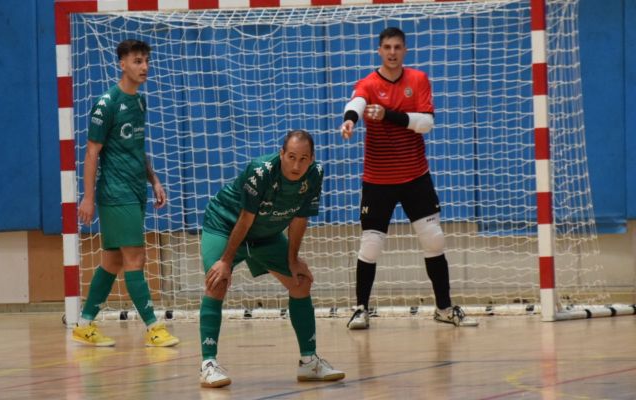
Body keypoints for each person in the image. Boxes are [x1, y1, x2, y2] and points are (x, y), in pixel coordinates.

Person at [340, 27, 478, 329]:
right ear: (379, 50)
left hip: (415, 176)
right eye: (387, 47)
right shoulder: (368, 83)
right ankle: (361, 309)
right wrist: (349, 121)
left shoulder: (418, 80)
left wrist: (388, 115)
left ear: (405, 50)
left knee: (434, 240)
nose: (392, 52)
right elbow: (357, 103)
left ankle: (444, 309)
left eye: (397, 47)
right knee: (371, 245)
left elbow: (426, 123)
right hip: (377, 180)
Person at [198, 130, 345, 388]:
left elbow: (300, 219)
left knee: (300, 282)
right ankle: (208, 364)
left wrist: (293, 259)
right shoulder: (261, 171)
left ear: (311, 159)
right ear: (281, 154)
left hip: (266, 233)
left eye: (303, 158)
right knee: (217, 282)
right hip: (225, 224)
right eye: (291, 157)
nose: (296, 165)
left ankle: (309, 362)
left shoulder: (315, 174)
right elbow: (245, 219)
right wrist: (225, 261)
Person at [72, 39, 179, 348]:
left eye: (146, 60)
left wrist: (154, 181)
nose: (144, 66)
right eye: (137, 61)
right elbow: (92, 152)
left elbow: (137, 149)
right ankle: (153, 327)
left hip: (135, 188)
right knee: (136, 257)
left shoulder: (140, 102)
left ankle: (84, 324)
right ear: (122, 64)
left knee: (112, 261)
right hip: (115, 192)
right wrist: (88, 197)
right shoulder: (107, 103)